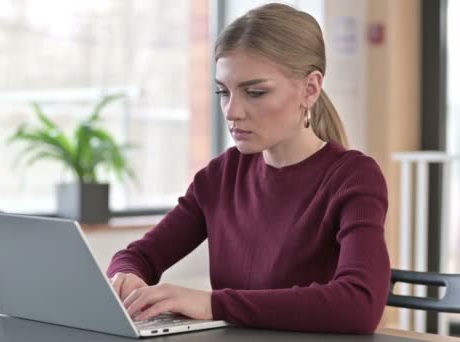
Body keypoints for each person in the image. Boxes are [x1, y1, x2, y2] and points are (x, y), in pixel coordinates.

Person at [107, 3, 390, 334]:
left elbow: (360, 305)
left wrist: (212, 304)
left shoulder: (353, 177)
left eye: (255, 92)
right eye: (223, 92)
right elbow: (137, 256)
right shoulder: (220, 176)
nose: (232, 111)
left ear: (310, 89)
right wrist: (126, 278)